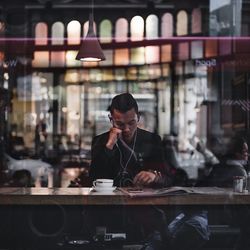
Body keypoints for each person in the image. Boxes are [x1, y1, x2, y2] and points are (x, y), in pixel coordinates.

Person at [89, 92, 172, 188]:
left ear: (138, 118)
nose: (126, 129)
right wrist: (109, 146)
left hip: (143, 201)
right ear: (111, 119)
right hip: (111, 201)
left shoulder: (152, 140)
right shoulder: (100, 141)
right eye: (120, 124)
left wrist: (154, 177)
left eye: (131, 123)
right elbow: (93, 179)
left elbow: (168, 179)